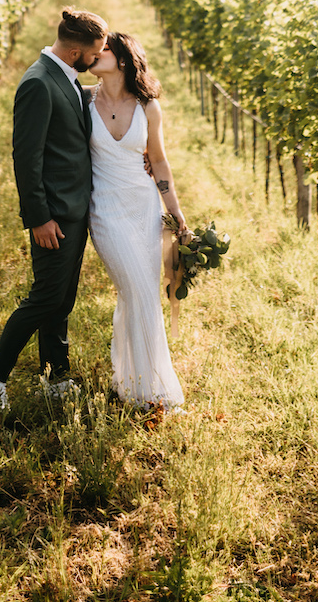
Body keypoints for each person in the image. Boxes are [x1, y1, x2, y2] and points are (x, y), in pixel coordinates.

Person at [0, 6, 108, 412]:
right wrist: (39, 218)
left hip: (72, 209)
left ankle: (56, 375)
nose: (97, 60)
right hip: (54, 215)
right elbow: (25, 157)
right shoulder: (37, 83)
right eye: (95, 53)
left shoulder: (63, 77)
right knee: (45, 299)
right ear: (73, 52)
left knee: (62, 298)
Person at [86, 31, 186, 409]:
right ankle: (154, 390)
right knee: (138, 290)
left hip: (143, 208)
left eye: (105, 49)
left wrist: (175, 211)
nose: (97, 53)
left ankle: (131, 380)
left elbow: (158, 160)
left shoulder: (148, 107)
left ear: (124, 60)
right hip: (105, 211)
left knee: (137, 293)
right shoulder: (83, 101)